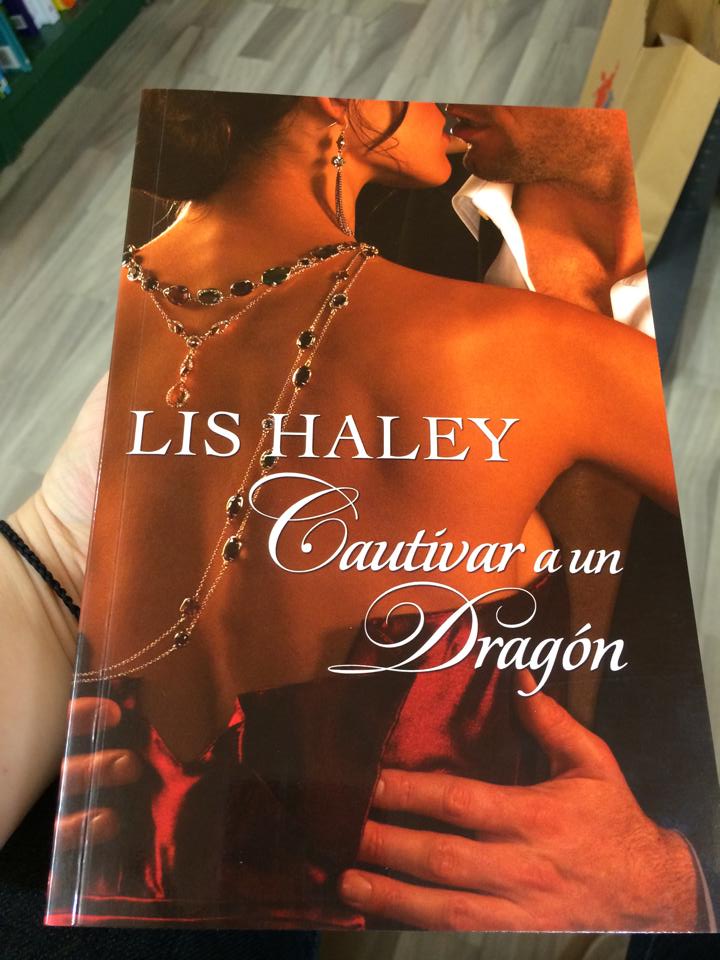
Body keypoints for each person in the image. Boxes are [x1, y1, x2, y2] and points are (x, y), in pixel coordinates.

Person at [0, 93, 708, 931]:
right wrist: (49, 600)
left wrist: (689, 883)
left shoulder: (162, 291)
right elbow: (61, 553)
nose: (443, 96)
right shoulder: (521, 341)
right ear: (338, 104)